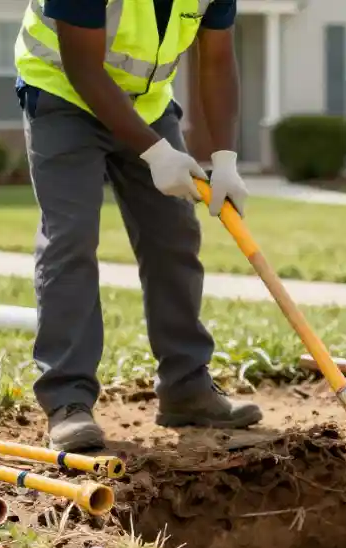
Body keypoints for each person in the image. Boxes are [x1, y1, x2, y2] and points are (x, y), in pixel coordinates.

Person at [14, 0, 263, 452]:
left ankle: (186, 386)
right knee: (71, 237)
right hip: (63, 93)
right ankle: (68, 400)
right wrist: (156, 152)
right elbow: (82, 67)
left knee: (174, 236)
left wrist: (225, 159)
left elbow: (217, 58)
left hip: (148, 105)